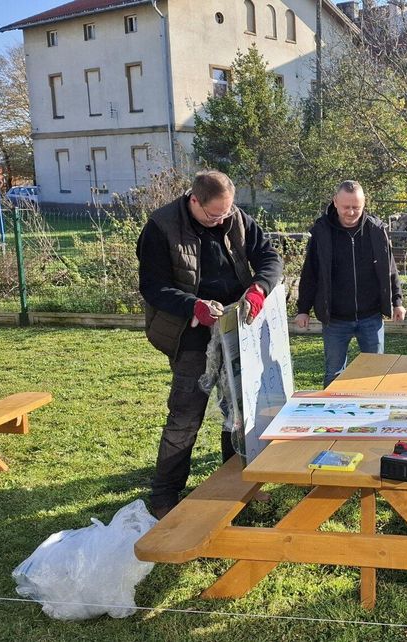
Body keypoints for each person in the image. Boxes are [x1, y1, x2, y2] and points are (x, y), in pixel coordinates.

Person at [137, 170, 283, 520]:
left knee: (239, 414)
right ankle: (165, 495)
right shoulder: (160, 227)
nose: (221, 220)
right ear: (194, 200)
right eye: (214, 215)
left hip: (237, 329)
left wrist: (259, 288)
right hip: (190, 335)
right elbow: (152, 286)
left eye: (227, 212)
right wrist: (193, 306)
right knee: (185, 416)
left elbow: (270, 258)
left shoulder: (237, 218)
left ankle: (237, 483)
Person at [294, 180, 405, 387]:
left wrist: (397, 301)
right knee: (334, 374)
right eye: (346, 207)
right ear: (335, 202)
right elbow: (310, 273)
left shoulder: (376, 230)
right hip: (335, 319)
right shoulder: (321, 232)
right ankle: (334, 410)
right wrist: (303, 310)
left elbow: (390, 268)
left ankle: (371, 408)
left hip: (371, 317)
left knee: (375, 374)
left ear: (364, 204)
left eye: (356, 207)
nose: (351, 212)